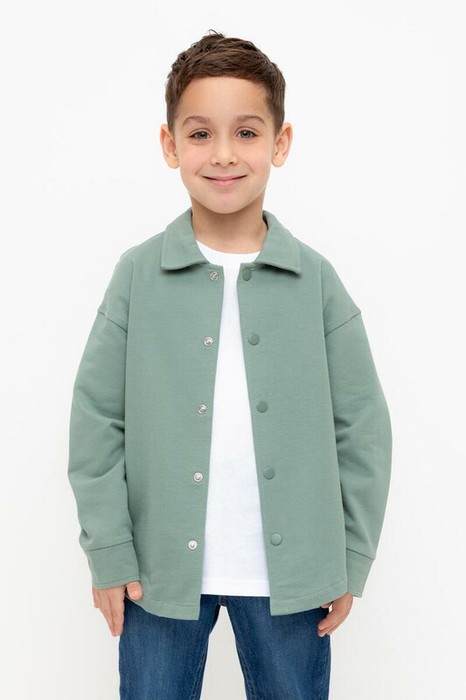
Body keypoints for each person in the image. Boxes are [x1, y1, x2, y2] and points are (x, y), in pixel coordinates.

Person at [67, 29, 392, 700]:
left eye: (246, 132)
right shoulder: (138, 275)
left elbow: (362, 427)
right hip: (155, 575)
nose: (222, 154)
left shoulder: (315, 282)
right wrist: (108, 551)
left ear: (280, 142)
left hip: (295, 578)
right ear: (170, 145)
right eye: (200, 134)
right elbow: (96, 420)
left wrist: (351, 555)